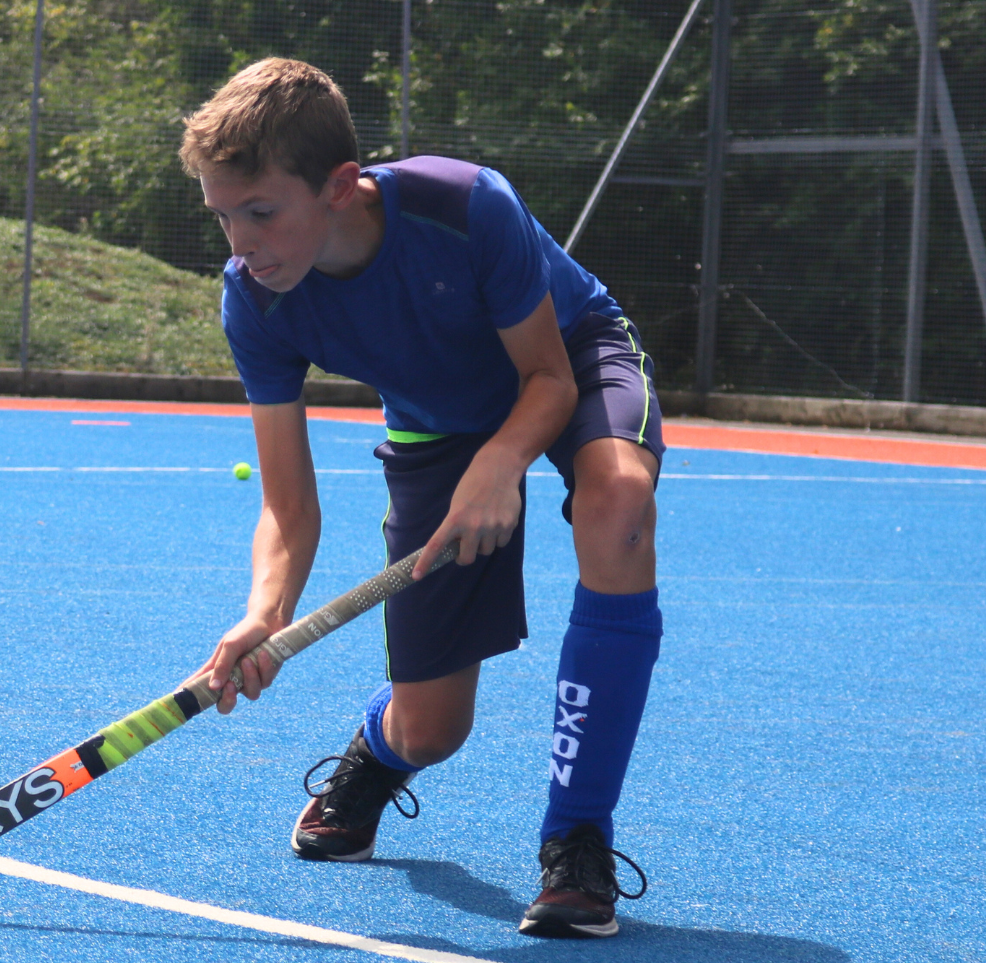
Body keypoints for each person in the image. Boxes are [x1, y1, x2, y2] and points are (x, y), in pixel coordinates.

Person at [181, 59, 666, 940]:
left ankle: (578, 843)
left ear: (341, 186)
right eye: (221, 214)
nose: (239, 241)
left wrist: (504, 460)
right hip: (437, 424)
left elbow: (549, 379)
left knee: (618, 501)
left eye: (259, 213)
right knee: (435, 727)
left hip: (571, 359)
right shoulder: (255, 302)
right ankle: (376, 752)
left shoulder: (465, 205)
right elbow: (289, 506)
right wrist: (264, 614)